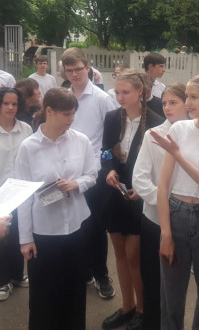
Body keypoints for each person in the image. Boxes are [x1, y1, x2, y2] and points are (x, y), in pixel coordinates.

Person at [15, 87, 97, 330]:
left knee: (74, 289)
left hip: (76, 227)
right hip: (44, 232)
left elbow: (92, 175)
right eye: (66, 114)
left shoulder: (80, 141)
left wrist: (76, 184)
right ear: (49, 111)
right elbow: (23, 196)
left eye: (73, 114)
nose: (71, 119)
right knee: (44, 294)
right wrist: (25, 239)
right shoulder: (28, 147)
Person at [151, 72, 199, 330]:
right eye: (187, 97)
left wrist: (178, 155)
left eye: (194, 97)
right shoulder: (180, 129)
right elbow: (163, 185)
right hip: (177, 213)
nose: (188, 103)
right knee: (171, 293)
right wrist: (165, 233)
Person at [101, 69, 163, 330]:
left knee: (134, 256)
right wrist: (109, 170)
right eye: (117, 92)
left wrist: (144, 188)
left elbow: (159, 165)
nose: (120, 97)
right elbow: (106, 151)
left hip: (140, 198)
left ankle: (142, 309)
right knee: (119, 254)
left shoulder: (156, 122)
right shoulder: (112, 117)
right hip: (116, 193)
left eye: (126, 92)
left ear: (141, 92)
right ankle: (127, 306)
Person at [62, 47, 118, 299]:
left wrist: (104, 166)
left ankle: (101, 275)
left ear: (88, 68)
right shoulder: (63, 97)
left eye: (78, 69)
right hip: (68, 173)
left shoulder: (101, 98)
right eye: (69, 70)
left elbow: (112, 134)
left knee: (95, 227)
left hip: (94, 174)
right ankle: (83, 271)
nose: (74, 74)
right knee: (75, 225)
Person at [132, 83, 188, 330]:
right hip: (155, 219)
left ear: (188, 104)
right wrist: (165, 202)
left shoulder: (198, 135)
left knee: (176, 285)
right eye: (164, 103)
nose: (167, 107)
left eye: (173, 102)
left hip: (185, 221)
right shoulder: (153, 135)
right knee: (152, 279)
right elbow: (139, 179)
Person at [0, 87, 32, 301]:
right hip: (0, 192)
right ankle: (2, 280)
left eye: (14, 104)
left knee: (18, 233)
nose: (10, 107)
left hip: (20, 191)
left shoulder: (26, 129)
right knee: (2, 235)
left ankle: (18, 274)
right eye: (6, 103)